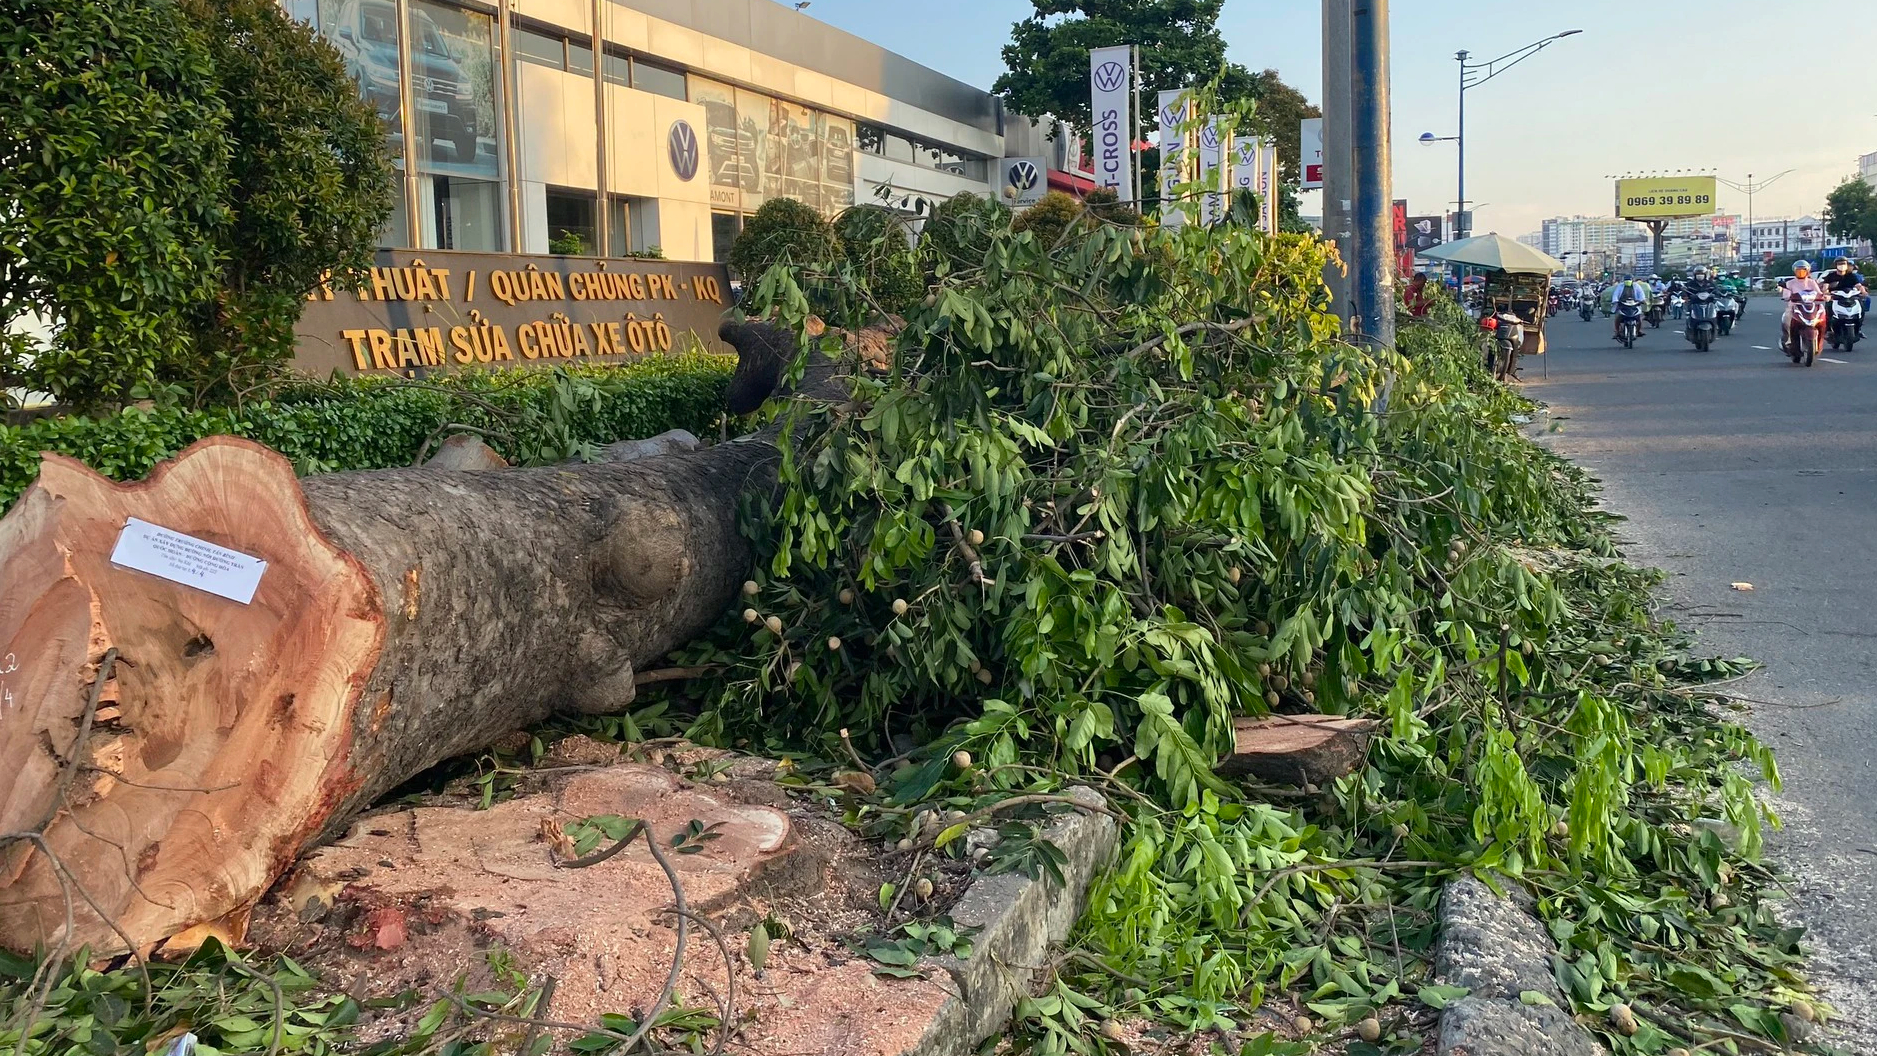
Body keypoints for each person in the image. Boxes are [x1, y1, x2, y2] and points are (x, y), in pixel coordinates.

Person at [1780, 260, 1825, 350]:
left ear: (1807, 271)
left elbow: (1819, 293)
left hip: (1810, 307)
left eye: (1803, 270)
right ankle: (1789, 340)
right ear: (1794, 271)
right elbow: (1786, 295)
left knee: (1821, 314)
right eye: (1798, 270)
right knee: (1787, 318)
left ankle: (1821, 337)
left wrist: (1824, 296)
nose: (1801, 272)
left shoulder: (1812, 282)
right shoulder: (1790, 283)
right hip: (1794, 307)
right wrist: (1788, 296)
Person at [1820, 257, 1868, 339]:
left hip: (1850, 297)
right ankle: (1828, 330)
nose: (1842, 265)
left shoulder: (1851, 276)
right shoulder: (1831, 276)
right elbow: (1825, 287)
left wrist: (1863, 292)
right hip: (1834, 298)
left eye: (1844, 264)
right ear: (1836, 265)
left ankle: (1859, 329)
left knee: (1861, 307)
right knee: (1828, 309)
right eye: (1840, 264)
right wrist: (1826, 293)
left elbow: (1858, 286)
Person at [1609, 274, 1652, 339]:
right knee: (1617, 318)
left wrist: (1642, 300)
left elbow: (1641, 294)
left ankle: (1639, 331)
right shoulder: (1620, 286)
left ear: (1632, 280)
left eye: (1629, 280)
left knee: (1639, 318)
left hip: (1634, 304)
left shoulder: (1636, 286)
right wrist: (1615, 301)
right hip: (1623, 304)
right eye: (1626, 280)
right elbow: (1616, 294)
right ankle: (1617, 332)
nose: (1628, 281)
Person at [1683, 266, 1719, 341]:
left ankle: (1715, 327)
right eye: (1698, 274)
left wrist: (1715, 295)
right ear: (1695, 275)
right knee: (1688, 313)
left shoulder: (1710, 283)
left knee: (1716, 311)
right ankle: (1689, 328)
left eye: (1701, 274)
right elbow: (1684, 291)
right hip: (1694, 303)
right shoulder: (1690, 284)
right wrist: (1685, 296)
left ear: (1705, 274)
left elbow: (1716, 290)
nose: (1700, 275)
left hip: (1708, 303)